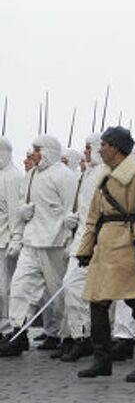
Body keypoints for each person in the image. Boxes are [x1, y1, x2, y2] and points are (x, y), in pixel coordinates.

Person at [75, 126, 135, 382]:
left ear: (117, 148)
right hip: (105, 247)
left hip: (130, 246)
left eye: (104, 144)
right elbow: (94, 217)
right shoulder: (104, 177)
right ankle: (102, 360)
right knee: (97, 302)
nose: (100, 149)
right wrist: (86, 248)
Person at [0, 135, 77, 357]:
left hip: (55, 243)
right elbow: (22, 202)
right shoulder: (31, 175)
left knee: (58, 294)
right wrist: (23, 213)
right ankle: (18, 333)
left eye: (36, 149)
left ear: (48, 151)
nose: (32, 154)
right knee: (20, 287)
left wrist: (70, 239)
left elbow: (71, 207)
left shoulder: (64, 175)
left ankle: (69, 336)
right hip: (31, 241)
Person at [55, 134, 103, 362]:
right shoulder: (87, 174)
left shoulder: (104, 173)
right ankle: (77, 336)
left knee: (75, 288)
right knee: (72, 290)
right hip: (80, 239)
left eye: (88, 147)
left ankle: (84, 337)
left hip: (94, 243)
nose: (85, 152)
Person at [0, 137, 22, 342]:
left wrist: (16, 239)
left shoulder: (12, 177)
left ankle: (7, 328)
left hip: (6, 241)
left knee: (4, 288)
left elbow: (15, 212)